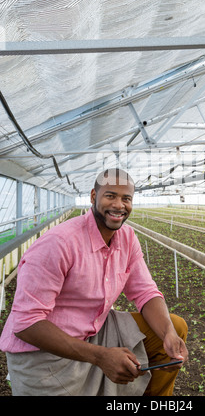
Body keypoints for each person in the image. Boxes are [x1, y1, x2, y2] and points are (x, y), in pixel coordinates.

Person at [0, 168, 188, 396]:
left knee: (174, 328)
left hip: (92, 330)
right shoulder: (59, 243)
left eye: (126, 198)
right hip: (42, 352)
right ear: (93, 197)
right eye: (110, 196)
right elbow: (25, 323)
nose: (119, 205)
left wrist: (167, 332)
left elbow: (146, 292)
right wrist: (99, 355)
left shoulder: (127, 238)